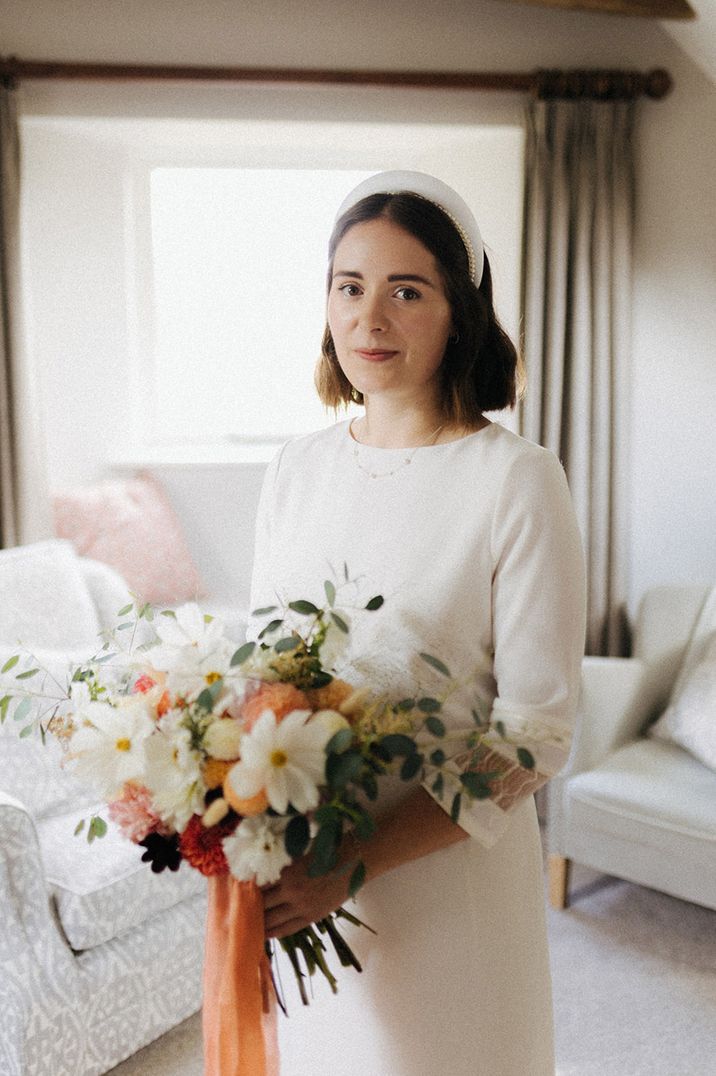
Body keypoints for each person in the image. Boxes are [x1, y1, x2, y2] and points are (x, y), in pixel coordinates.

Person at [249, 171, 586, 1076]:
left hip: (447, 885)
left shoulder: (516, 480)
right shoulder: (295, 468)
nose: (370, 319)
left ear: (460, 312)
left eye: (408, 291)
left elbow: (532, 740)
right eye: (349, 287)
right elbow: (260, 675)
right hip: (312, 881)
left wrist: (351, 862)